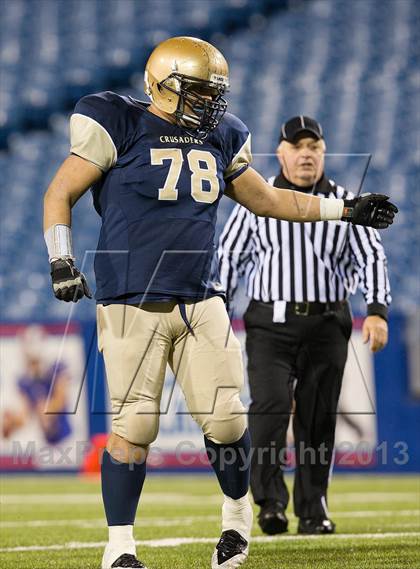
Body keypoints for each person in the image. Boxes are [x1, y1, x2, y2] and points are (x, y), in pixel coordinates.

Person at [43, 36, 397, 569]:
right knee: (134, 427)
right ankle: (119, 548)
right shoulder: (117, 122)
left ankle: (236, 519)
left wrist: (345, 209)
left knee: (228, 422)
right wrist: (61, 260)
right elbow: (59, 193)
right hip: (130, 300)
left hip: (200, 296)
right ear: (161, 85)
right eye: (199, 90)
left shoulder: (220, 136)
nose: (210, 101)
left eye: (215, 91)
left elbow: (271, 200)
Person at [218, 116, 393, 537]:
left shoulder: (350, 204)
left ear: (323, 152)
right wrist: (217, 312)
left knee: (318, 419)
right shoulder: (258, 201)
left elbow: (371, 256)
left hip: (327, 322)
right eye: (297, 147)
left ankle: (313, 509)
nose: (306, 154)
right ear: (281, 153)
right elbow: (227, 258)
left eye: (313, 146)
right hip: (270, 324)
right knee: (270, 409)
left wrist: (376, 310)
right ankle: (270, 503)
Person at [2, 325, 72, 445]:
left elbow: (61, 399)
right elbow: (25, 414)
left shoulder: (54, 370)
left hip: (65, 434)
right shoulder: (27, 381)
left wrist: (11, 423)